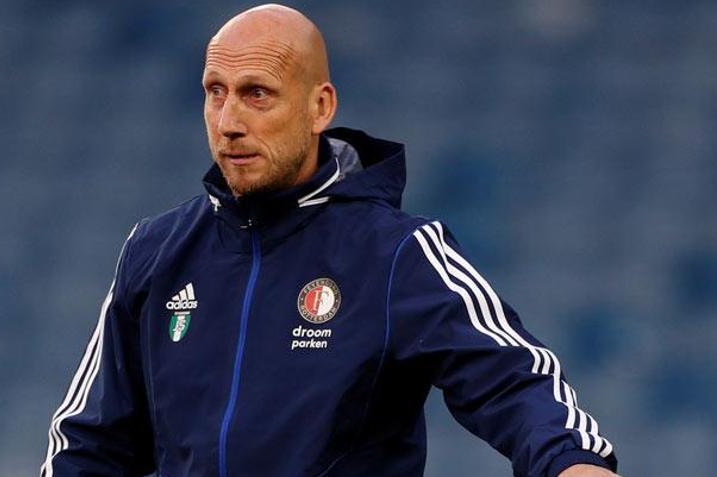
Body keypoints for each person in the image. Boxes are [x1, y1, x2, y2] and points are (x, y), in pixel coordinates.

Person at [40, 4, 619, 477]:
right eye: (215, 92)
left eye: (257, 93)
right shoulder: (157, 251)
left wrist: (571, 461)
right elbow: (88, 442)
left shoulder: (397, 254)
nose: (229, 122)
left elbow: (513, 378)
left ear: (320, 107)